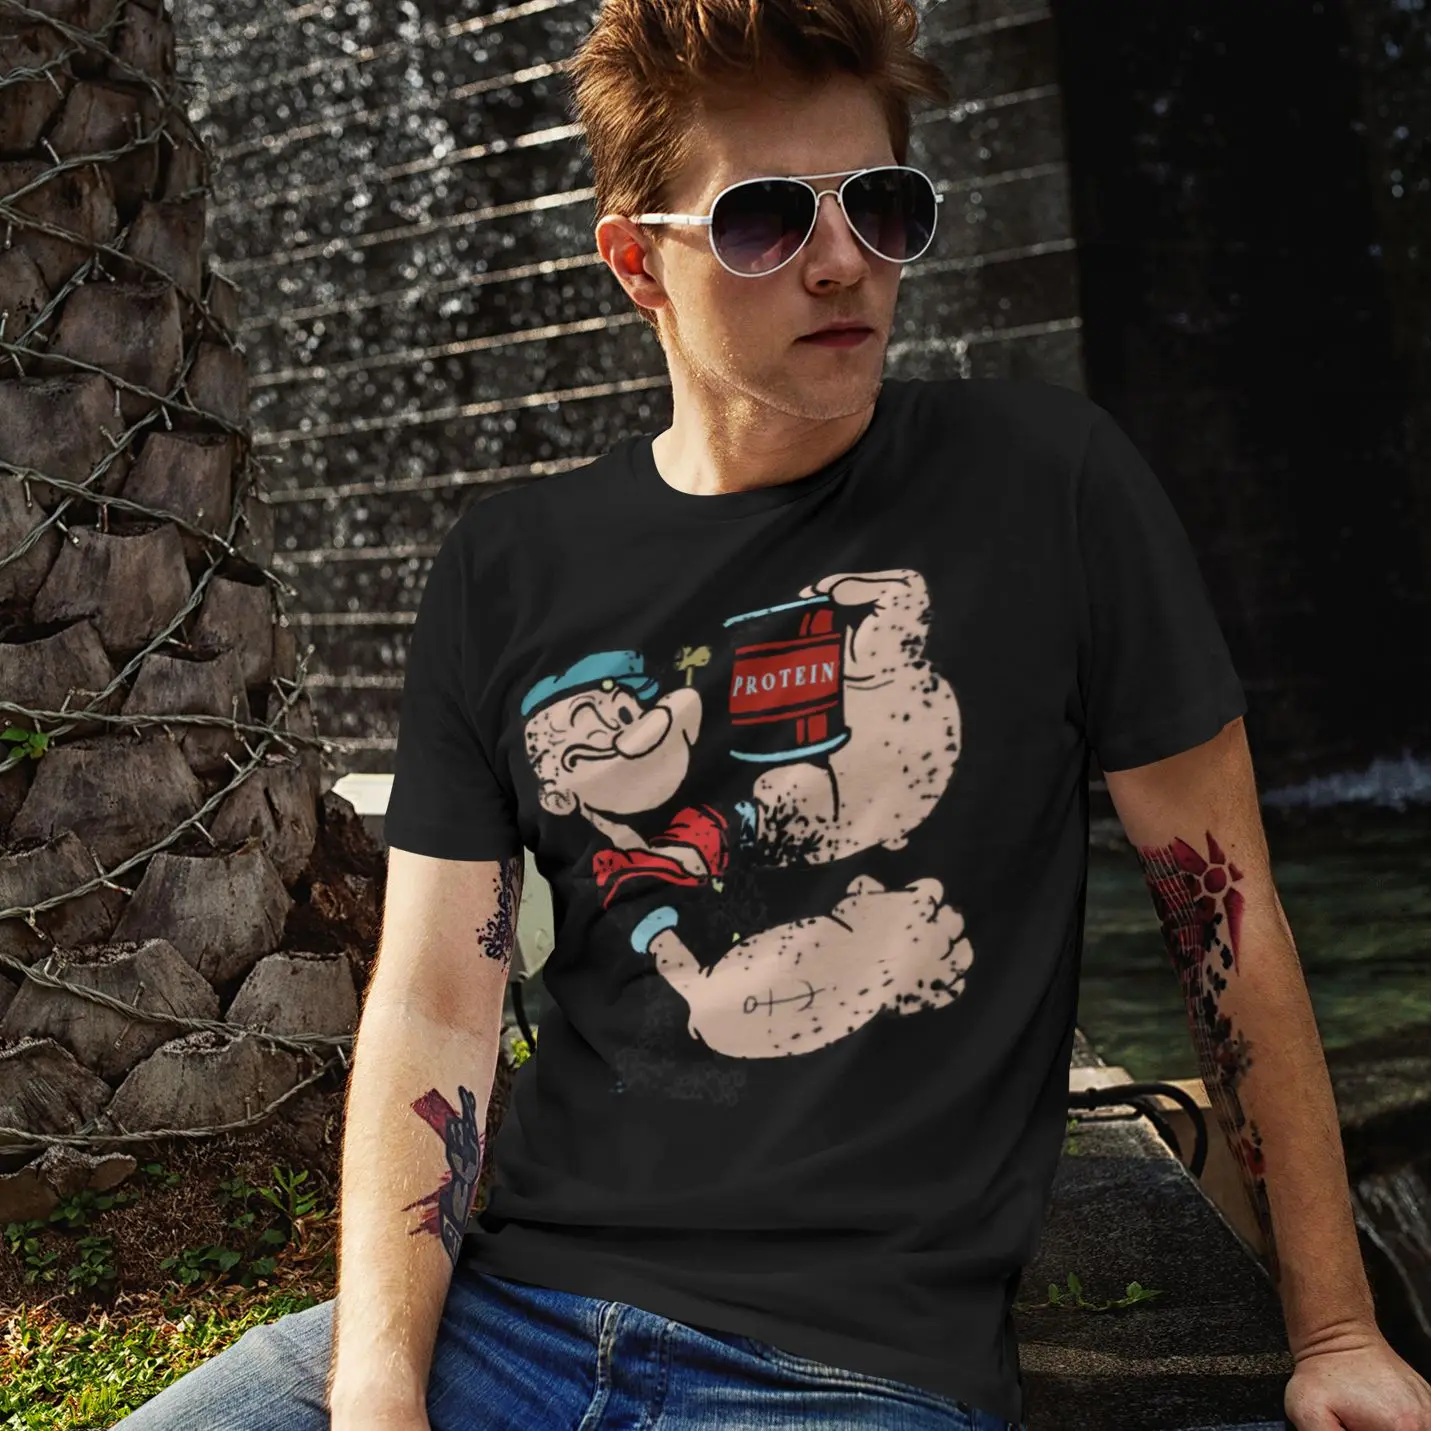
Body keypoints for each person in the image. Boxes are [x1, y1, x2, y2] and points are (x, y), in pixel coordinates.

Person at [115, 0, 1431, 1428]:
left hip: (850, 1368)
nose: (842, 259)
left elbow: (1222, 918)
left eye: (881, 205)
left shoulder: (1051, 485)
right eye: (763, 221)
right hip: (509, 1317)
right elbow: (436, 1003)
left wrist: (1337, 1327)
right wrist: (381, 1384)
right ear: (637, 263)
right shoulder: (506, 568)